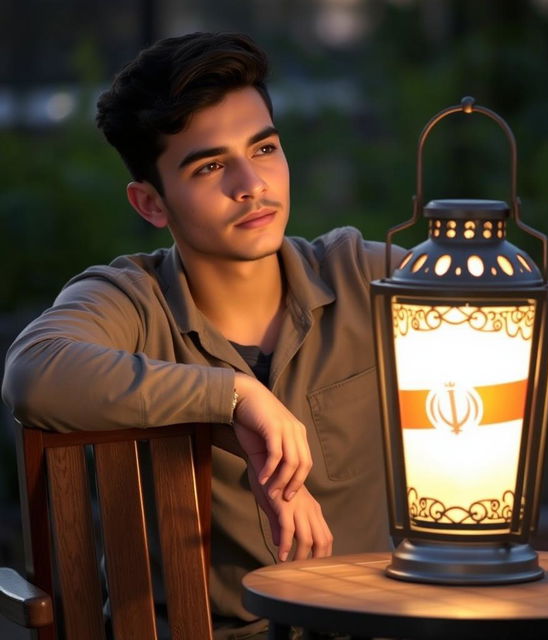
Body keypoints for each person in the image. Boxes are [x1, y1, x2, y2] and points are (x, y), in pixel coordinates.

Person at [2, 32, 403, 638]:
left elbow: (508, 301)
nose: (251, 184)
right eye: (211, 165)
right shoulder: (130, 302)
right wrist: (236, 398)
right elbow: (33, 370)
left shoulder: (358, 274)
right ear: (151, 204)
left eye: (264, 148)